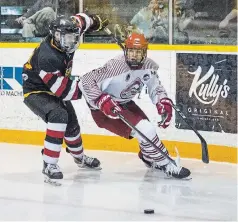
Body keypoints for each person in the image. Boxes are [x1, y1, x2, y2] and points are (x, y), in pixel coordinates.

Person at [79, 32, 191, 179]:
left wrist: (162, 102)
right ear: (126, 50)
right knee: (146, 129)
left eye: (138, 52)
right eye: (131, 51)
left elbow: (155, 87)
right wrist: (101, 100)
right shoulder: (116, 66)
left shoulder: (149, 66)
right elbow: (85, 81)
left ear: (144, 52)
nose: (133, 55)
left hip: (124, 103)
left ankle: (149, 157)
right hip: (104, 110)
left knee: (146, 130)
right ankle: (167, 164)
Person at [22, 13, 109, 183]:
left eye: (74, 38)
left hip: (56, 85)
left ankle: (80, 158)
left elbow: (83, 19)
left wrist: (97, 21)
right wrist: (91, 89)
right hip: (36, 90)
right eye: (68, 38)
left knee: (72, 125)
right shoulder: (47, 57)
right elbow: (64, 92)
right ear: (55, 36)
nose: (72, 42)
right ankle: (49, 164)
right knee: (59, 116)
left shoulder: (70, 30)